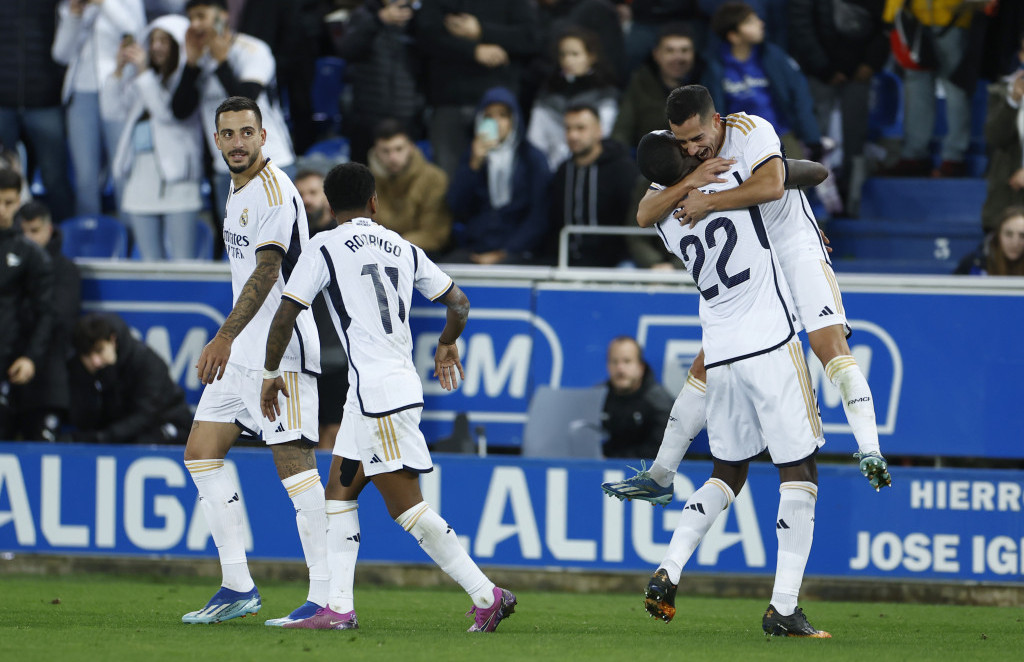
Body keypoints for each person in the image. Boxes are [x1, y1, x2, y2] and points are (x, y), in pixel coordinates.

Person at [259, 162, 517, 632]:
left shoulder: (324, 245)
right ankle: (338, 608)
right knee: (338, 494)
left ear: (331, 207)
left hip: (379, 395)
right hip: (377, 392)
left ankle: (487, 593)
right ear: (375, 202)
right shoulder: (403, 246)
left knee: (406, 508)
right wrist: (446, 341)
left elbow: (286, 314)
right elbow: (459, 302)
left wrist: (271, 372)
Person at [603, 86, 890, 507]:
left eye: (697, 139)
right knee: (707, 362)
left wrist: (709, 203)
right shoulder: (677, 156)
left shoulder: (750, 129)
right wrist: (694, 180)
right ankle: (661, 473)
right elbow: (645, 212)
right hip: (755, 260)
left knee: (828, 344)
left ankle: (869, 448)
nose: (692, 149)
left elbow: (786, 180)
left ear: (715, 121)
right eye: (682, 143)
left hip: (793, 245)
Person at [633, 115, 833, 638]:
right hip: (770, 340)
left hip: (719, 354)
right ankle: (784, 607)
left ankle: (669, 569)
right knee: (800, 472)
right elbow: (813, 173)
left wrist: (683, 182)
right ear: (684, 158)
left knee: (728, 471)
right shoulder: (730, 182)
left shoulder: (666, 216)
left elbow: (642, 210)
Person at [180, 97, 326, 627]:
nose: (238, 142)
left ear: (264, 136)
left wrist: (222, 336)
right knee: (201, 453)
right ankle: (237, 584)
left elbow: (267, 273)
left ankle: (325, 594)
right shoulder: (236, 188)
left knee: (295, 470)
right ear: (217, 140)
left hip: (278, 349)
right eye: (228, 134)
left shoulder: (273, 192)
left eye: (247, 132)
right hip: (243, 350)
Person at [171, 0, 294, 219]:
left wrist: (222, 63)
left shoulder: (253, 49)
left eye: (201, 16)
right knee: (236, 245)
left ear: (222, 17)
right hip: (225, 168)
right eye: (190, 19)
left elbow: (246, 105)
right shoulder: (198, 58)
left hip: (269, 162)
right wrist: (191, 65)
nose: (195, 25)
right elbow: (179, 111)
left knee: (278, 244)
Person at [105, 13, 204, 260]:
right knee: (149, 264)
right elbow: (111, 110)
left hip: (179, 182)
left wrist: (142, 73)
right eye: (153, 41)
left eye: (164, 41)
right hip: (140, 179)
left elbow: (167, 114)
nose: (156, 47)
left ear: (178, 44)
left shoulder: (190, 80)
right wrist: (118, 71)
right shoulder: (145, 80)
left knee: (183, 263)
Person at [415, 0, 540, 178]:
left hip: (498, 105)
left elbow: (531, 38)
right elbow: (426, 35)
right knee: (447, 181)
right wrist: (473, 50)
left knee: (499, 178)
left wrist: (482, 30)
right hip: (449, 102)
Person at [786, 0, 887, 216]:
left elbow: (884, 25)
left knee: (856, 137)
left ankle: (851, 201)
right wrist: (824, 68)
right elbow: (801, 26)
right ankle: (811, 205)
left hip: (859, 73)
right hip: (820, 74)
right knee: (816, 139)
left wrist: (870, 62)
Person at [52, 0, 147, 217]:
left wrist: (104, 3)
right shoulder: (71, 5)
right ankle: (90, 236)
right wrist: (74, 15)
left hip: (117, 88)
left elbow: (136, 32)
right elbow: (61, 54)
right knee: (85, 176)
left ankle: (129, 238)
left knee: (122, 170)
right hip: (81, 92)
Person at [445, 86, 551, 265]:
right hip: (476, 249)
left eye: (503, 115)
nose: (496, 122)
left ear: (514, 119)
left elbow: (539, 215)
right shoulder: (472, 155)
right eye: (489, 116)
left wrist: (505, 252)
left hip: (520, 250)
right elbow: (456, 206)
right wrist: (473, 165)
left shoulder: (532, 158)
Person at [704, 2, 822, 161]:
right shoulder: (716, 68)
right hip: (738, 145)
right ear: (734, 36)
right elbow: (712, 111)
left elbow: (800, 95)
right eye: (750, 22)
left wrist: (812, 137)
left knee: (797, 182)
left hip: (781, 135)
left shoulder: (773, 57)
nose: (761, 23)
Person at [881, 0, 978, 177]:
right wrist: (892, 15)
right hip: (912, 18)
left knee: (956, 85)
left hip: (953, 18)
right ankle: (914, 155)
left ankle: (954, 157)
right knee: (916, 87)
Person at [0, 0, 76, 222]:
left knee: (54, 178)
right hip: (3, 100)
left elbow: (67, 39)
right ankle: (9, 242)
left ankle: (60, 239)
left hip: (45, 99)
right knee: (4, 178)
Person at [68, 313, 192, 444]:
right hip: (123, 430)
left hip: (168, 422)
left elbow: (146, 415)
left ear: (113, 340)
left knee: (142, 442)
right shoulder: (84, 368)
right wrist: (88, 379)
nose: (95, 361)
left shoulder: (146, 361)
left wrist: (103, 437)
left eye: (99, 351)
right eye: (88, 355)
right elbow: (83, 419)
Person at [17, 201, 81, 442]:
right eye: (23, 232)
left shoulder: (66, 271)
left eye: (34, 231)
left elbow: (59, 319)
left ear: (48, 230)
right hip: (11, 374)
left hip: (47, 381)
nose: (28, 238)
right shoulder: (10, 267)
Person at [293, 168, 348, 449]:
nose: (306, 200)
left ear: (328, 199)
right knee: (304, 429)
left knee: (336, 429)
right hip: (301, 353)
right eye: (300, 194)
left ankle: (329, 493)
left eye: (313, 193)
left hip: (338, 351)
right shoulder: (288, 244)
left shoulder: (343, 238)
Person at [0, 170, 55, 441]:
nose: (1, 210)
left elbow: (46, 313)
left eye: (8, 203)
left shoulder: (31, 254)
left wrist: (30, 357)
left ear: (18, 201)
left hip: (10, 367)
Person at [334, 0, 424, 165]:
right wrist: (379, 19)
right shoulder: (365, 14)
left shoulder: (419, 17)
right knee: (363, 176)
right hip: (368, 115)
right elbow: (348, 50)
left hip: (407, 114)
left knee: (406, 173)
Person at [547, 105, 637, 267]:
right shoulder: (562, 171)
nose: (573, 135)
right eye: (568, 129)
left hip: (615, 263)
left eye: (581, 128)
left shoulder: (623, 169)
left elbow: (635, 220)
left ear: (599, 131)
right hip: (566, 261)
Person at [527, 27, 619, 171]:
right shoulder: (547, 95)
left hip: (595, 169)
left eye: (575, 54)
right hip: (553, 171)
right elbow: (536, 142)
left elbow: (605, 136)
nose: (568, 60)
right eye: (563, 55)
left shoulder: (606, 95)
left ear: (591, 56)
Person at [613, 23, 708, 151]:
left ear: (693, 54)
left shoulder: (705, 80)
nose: (678, 58)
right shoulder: (640, 81)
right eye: (670, 51)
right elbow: (623, 129)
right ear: (656, 54)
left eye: (684, 50)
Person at [369, 119, 453, 256]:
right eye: (385, 151)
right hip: (378, 255)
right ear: (375, 151)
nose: (393, 157)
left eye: (399, 149)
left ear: (411, 147)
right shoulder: (367, 181)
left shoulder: (434, 179)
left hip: (422, 255)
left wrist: (391, 246)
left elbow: (434, 234)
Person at [602, 336, 674, 459]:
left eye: (627, 361)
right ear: (608, 366)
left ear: (640, 367)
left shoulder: (659, 403)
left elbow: (661, 450)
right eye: (614, 362)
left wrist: (613, 461)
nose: (620, 368)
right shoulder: (599, 397)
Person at [981, 36, 1024, 234]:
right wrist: (1013, 101)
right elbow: (994, 137)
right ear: (1021, 56)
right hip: (1008, 199)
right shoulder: (1002, 91)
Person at [954, 206, 1024, 276]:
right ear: (998, 234)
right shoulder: (974, 263)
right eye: (1009, 234)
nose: (1015, 243)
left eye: (1022, 235)